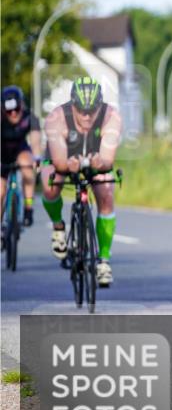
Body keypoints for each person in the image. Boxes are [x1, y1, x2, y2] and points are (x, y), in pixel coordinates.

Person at [40, 77, 122, 286]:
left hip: (96, 157)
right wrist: (69, 165)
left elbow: (107, 159)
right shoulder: (56, 118)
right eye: (81, 110)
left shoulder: (111, 116)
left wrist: (98, 163)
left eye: (91, 110)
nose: (86, 116)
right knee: (50, 186)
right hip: (62, 157)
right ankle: (58, 227)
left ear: (99, 106)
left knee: (106, 192)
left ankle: (103, 261)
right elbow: (59, 162)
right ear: (72, 104)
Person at [1, 86, 42, 226]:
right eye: (8, 111)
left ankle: (28, 208)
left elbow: (36, 141)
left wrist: (37, 158)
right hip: (2, 153)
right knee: (0, 191)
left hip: (20, 149)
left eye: (16, 109)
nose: (13, 113)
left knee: (27, 166)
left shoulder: (29, 117)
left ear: (22, 105)